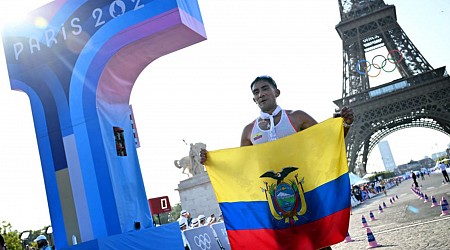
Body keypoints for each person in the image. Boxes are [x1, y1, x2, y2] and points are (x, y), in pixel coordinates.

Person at [200, 75, 355, 249]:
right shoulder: (249, 131)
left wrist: (345, 125)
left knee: (317, 243)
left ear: (277, 92)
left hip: (304, 191)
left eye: (265, 88)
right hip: (272, 200)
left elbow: (327, 144)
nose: (261, 94)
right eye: (256, 92)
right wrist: (212, 163)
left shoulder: (297, 117)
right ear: (253, 99)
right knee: (285, 246)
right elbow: (242, 169)